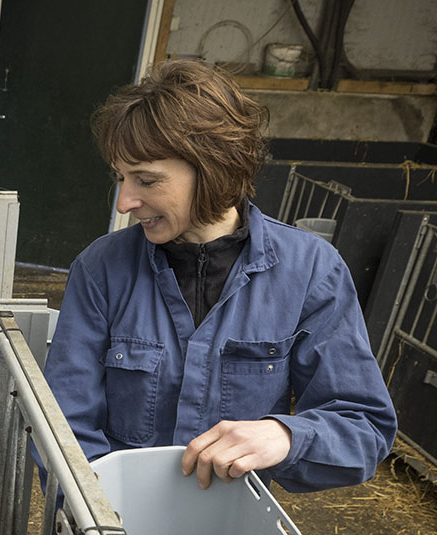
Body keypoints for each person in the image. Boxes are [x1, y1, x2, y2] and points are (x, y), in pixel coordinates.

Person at [44, 58, 397, 495]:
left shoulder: (311, 272)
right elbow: (65, 425)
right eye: (120, 177)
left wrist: (285, 436)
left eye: (147, 180)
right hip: (111, 530)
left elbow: (364, 428)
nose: (124, 201)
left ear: (213, 168)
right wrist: (105, 521)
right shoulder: (101, 270)